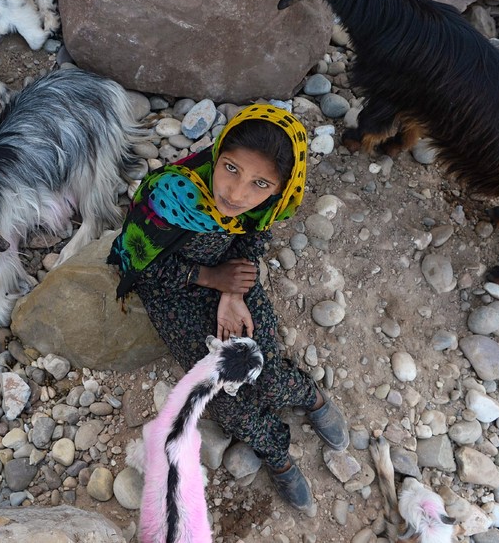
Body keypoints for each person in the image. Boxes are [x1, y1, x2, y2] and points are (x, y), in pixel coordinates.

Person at [108, 104, 349, 512]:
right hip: (175, 294)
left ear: (279, 188)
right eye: (231, 168)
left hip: (232, 279)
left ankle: (309, 396)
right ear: (218, 152)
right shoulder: (170, 196)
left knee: (266, 372)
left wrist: (233, 293)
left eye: (260, 184)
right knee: (222, 393)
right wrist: (209, 278)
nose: (236, 194)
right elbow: (142, 269)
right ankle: (276, 452)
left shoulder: (265, 203)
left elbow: (252, 238)